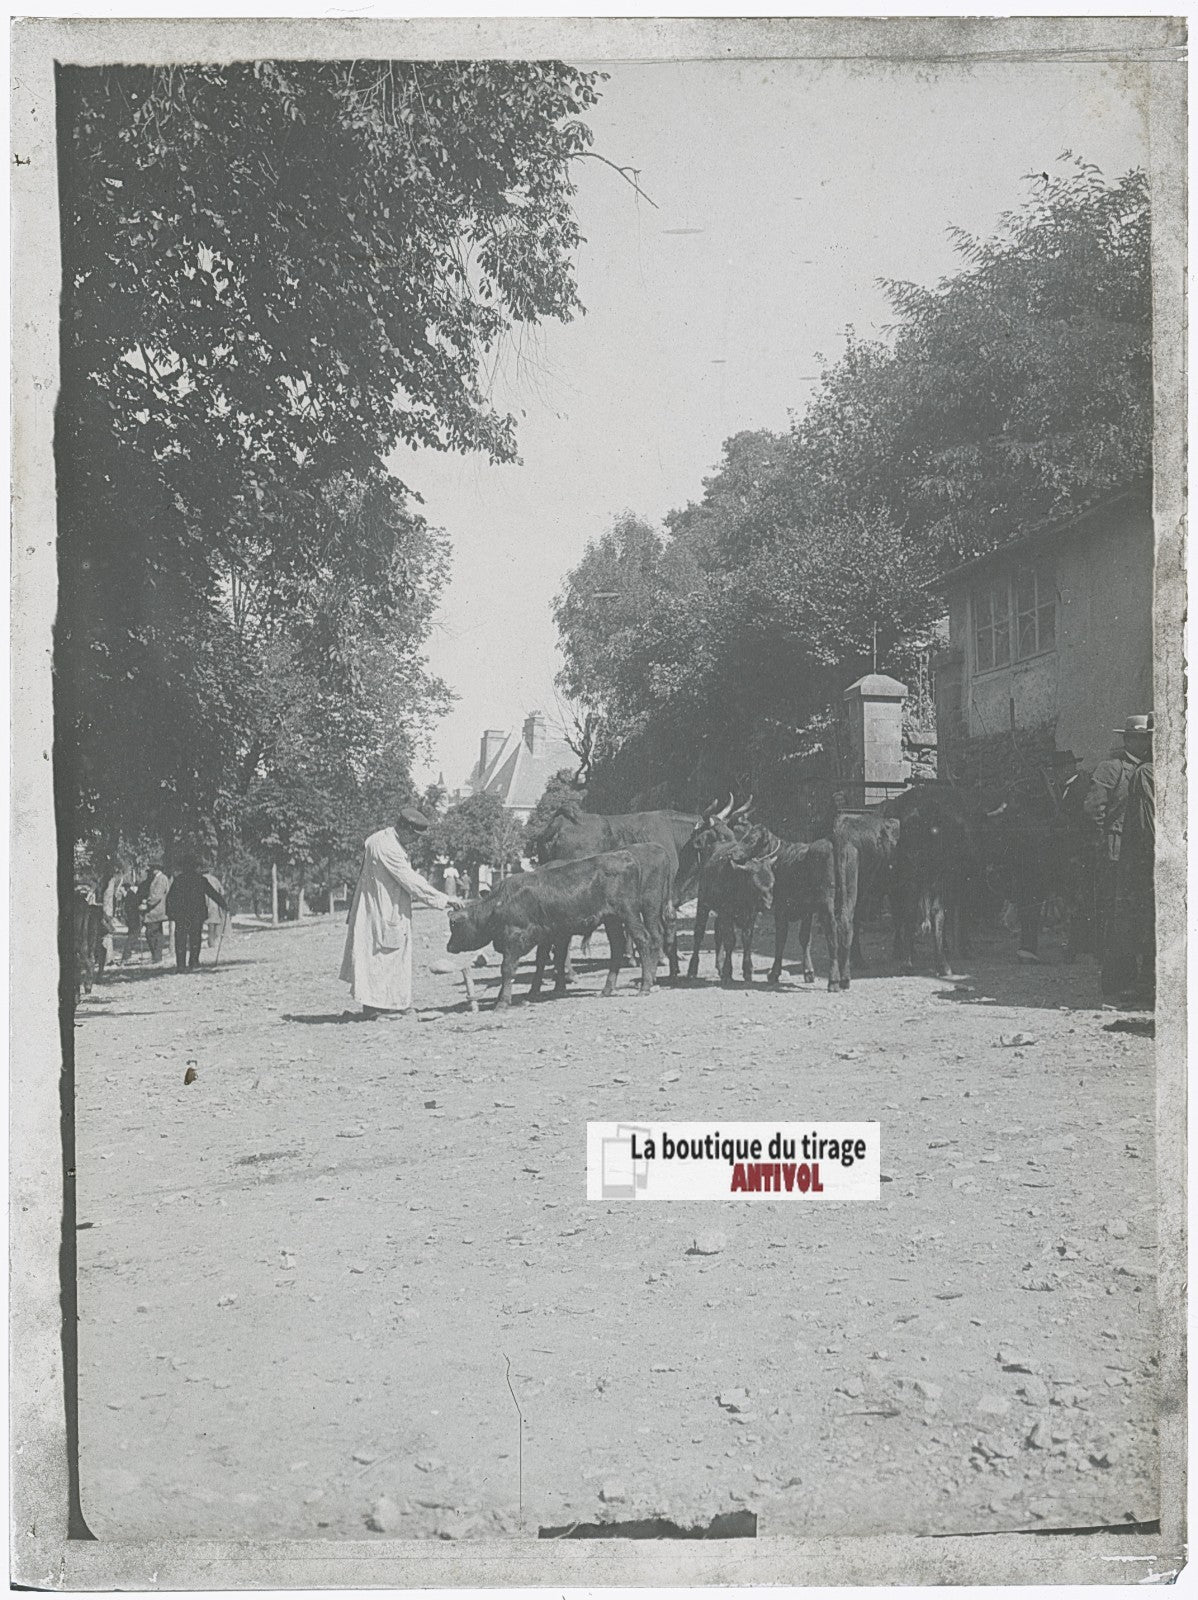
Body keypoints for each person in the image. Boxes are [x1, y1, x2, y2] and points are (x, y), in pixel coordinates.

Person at [340, 807, 463, 1020]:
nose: (415, 841)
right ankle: (375, 1008)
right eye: (415, 836)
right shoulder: (389, 848)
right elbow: (412, 881)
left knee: (389, 957)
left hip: (383, 906)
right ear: (405, 829)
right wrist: (444, 899)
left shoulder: (378, 838)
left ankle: (392, 1002)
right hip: (383, 908)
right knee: (381, 958)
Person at [1084, 713, 1153, 1004]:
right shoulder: (1113, 768)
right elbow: (1093, 809)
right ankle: (1115, 981)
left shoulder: (1149, 769)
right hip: (1116, 851)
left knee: (1139, 917)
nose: (1147, 742)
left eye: (1148, 738)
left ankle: (1140, 980)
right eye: (1141, 738)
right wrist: (1106, 839)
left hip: (1140, 853)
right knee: (1116, 918)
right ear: (1128, 739)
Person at [166, 857, 228, 973]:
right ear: (195, 868)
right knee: (195, 939)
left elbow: (170, 898)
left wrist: (171, 914)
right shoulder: (200, 880)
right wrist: (224, 905)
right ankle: (193, 962)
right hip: (196, 915)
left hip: (181, 915)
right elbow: (213, 894)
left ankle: (181, 965)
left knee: (180, 940)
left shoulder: (178, 880)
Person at [138, 862, 171, 964]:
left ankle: (157, 957)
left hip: (156, 910)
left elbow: (156, 895)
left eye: (153, 868)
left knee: (151, 933)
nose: (151, 870)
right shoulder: (157, 878)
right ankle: (156, 956)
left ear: (157, 868)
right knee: (155, 933)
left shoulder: (161, 878)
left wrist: (147, 904)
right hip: (155, 910)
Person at [205, 870, 227, 949]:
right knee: (215, 923)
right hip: (214, 903)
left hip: (205, 904)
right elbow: (222, 892)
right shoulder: (214, 879)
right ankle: (213, 941)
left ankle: (211, 942)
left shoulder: (200, 878)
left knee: (210, 924)